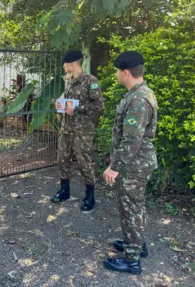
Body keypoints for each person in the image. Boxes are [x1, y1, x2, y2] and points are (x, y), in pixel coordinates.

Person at [103, 51, 158, 274]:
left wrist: (114, 167)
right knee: (135, 208)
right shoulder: (139, 93)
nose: (116, 75)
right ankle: (135, 245)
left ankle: (132, 260)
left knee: (130, 209)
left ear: (126, 72)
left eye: (117, 71)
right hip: (136, 163)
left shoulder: (137, 100)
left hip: (133, 165)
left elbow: (132, 141)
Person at [51, 50, 104, 212]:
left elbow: (99, 106)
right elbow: (67, 100)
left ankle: (90, 196)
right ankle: (64, 191)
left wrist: (78, 109)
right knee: (63, 161)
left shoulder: (90, 81)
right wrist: (60, 104)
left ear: (73, 63)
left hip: (82, 132)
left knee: (84, 163)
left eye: (65, 63)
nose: (63, 66)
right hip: (66, 129)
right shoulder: (68, 80)